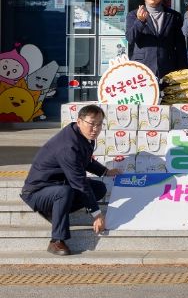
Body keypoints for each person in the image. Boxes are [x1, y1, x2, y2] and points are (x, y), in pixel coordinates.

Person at [20, 105, 121, 256]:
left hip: (60, 184)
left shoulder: (83, 135)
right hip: (38, 192)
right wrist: (97, 214)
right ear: (79, 121)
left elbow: (85, 160)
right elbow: (79, 182)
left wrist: (105, 171)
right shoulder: (68, 145)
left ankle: (55, 212)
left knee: (99, 188)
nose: (95, 129)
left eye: (99, 124)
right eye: (92, 124)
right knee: (64, 192)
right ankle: (56, 241)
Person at [126, 0, 187, 78]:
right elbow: (130, 38)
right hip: (142, 70)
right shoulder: (133, 15)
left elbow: (180, 46)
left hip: (168, 69)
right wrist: (140, 21)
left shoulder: (174, 16)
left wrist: (183, 71)